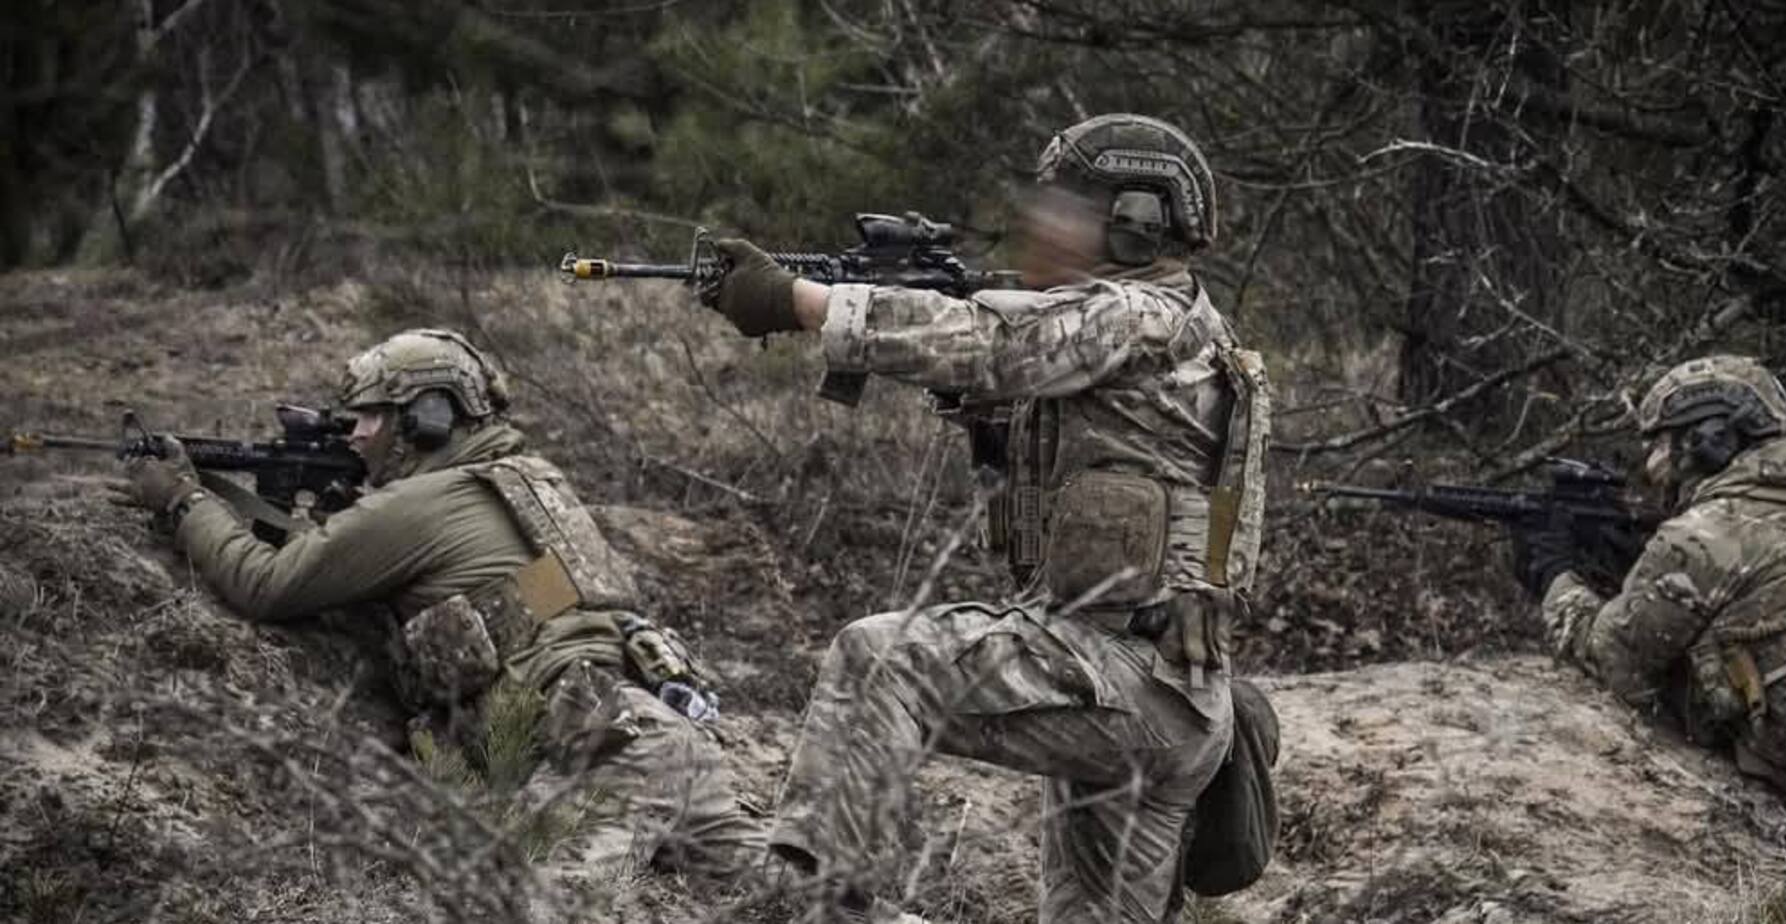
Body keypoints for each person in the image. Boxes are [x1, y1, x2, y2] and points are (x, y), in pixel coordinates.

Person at [700, 114, 1272, 924]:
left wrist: (798, 301)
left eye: (1073, 207)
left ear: (1137, 218)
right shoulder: (1178, 325)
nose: (1049, 225)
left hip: (1126, 679)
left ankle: (817, 900)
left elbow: (998, 346)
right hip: (1158, 700)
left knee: (878, 659)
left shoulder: (1138, 314)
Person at [110, 328, 766, 883]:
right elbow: (518, 619)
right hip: (664, 739)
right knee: (779, 898)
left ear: (427, 417)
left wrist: (184, 500)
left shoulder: (419, 504)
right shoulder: (528, 484)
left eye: (370, 416)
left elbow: (264, 585)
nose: (355, 433)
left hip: (606, 754)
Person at [1517, 354, 1786, 894]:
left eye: (1661, 442)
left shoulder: (1703, 535)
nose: (1651, 462)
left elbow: (1614, 662)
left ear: (1709, 438)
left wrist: (1554, 575)